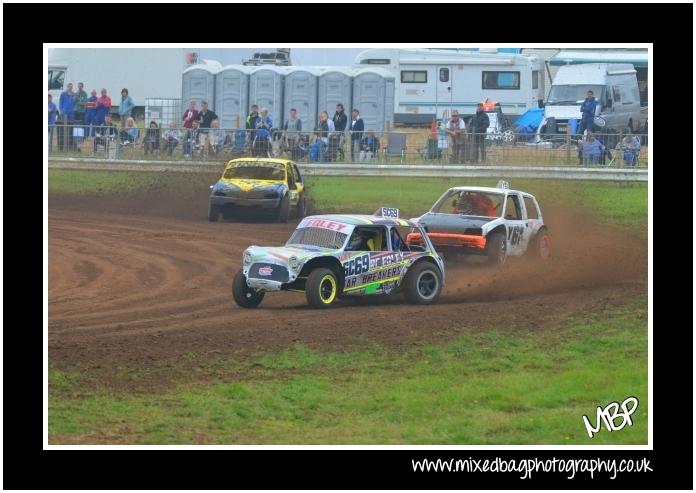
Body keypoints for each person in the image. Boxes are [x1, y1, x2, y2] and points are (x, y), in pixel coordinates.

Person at [58, 82, 75, 151]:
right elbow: (60, 103)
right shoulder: (63, 94)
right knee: (62, 130)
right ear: (67, 87)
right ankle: (61, 146)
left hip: (71, 114)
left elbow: (75, 103)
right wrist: (61, 111)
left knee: (71, 130)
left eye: (71, 87)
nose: (70, 88)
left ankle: (70, 146)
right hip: (64, 113)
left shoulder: (74, 94)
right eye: (69, 86)